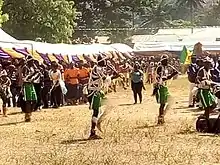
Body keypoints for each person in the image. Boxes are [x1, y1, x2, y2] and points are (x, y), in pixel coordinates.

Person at [87, 54, 118, 139]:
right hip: (94, 93)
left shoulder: (99, 68)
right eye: (105, 60)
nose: (106, 62)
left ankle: (98, 122)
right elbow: (105, 79)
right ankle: (92, 132)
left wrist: (114, 75)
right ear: (102, 61)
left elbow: (106, 78)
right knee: (96, 111)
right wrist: (113, 75)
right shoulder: (98, 68)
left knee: (110, 105)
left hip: (97, 92)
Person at [153, 55, 178, 125]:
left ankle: (162, 115)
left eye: (167, 61)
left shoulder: (165, 68)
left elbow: (169, 76)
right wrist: (170, 76)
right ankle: (160, 118)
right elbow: (160, 78)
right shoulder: (160, 68)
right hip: (160, 87)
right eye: (166, 61)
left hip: (165, 87)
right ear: (162, 61)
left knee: (171, 100)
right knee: (162, 104)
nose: (167, 62)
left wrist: (173, 73)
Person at [20, 57, 38, 122]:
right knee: (28, 100)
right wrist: (31, 78)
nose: (33, 63)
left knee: (34, 100)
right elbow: (24, 78)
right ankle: (27, 115)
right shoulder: (25, 68)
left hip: (31, 85)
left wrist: (34, 77)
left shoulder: (32, 68)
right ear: (29, 61)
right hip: (26, 85)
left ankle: (29, 113)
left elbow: (37, 73)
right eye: (32, 61)